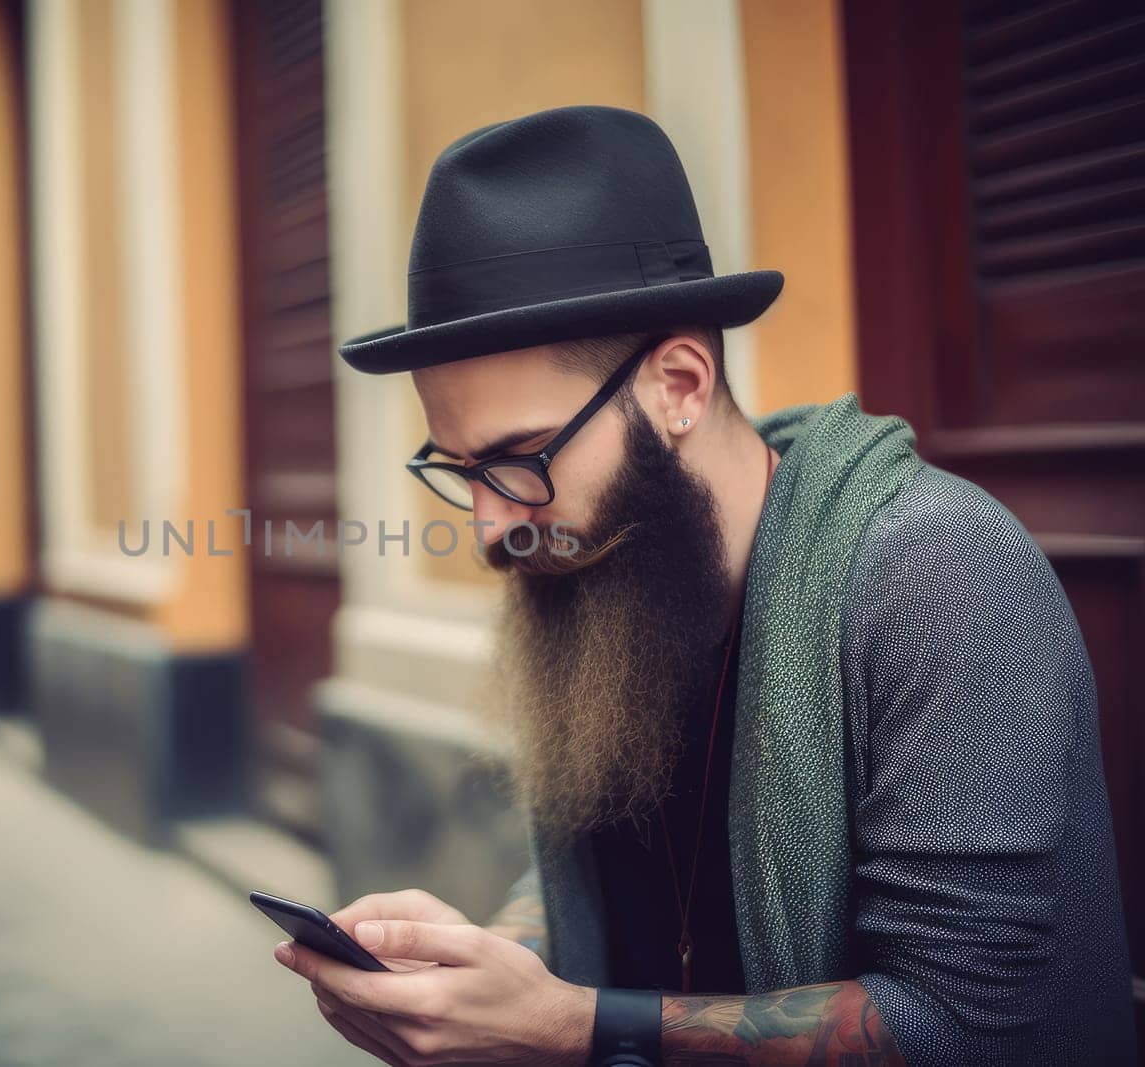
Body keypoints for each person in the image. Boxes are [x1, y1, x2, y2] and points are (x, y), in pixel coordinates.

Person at [271, 106, 1137, 1066]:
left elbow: (972, 1019)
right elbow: (591, 864)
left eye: (519, 458)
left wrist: (565, 1025)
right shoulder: (616, 567)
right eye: (460, 468)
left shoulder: (938, 571)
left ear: (679, 384)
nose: (487, 522)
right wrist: (484, 966)